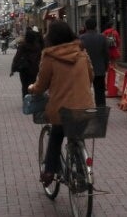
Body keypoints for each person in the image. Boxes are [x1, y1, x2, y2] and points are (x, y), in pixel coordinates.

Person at [28, 20, 94, 187]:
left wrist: (32, 88)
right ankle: (81, 174)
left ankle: (49, 170)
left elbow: (41, 85)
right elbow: (91, 76)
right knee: (77, 133)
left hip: (61, 110)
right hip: (85, 108)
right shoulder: (82, 54)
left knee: (57, 134)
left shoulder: (49, 57)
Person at [79, 17, 109, 106]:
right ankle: (101, 115)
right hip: (99, 70)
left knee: (84, 93)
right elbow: (106, 54)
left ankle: (85, 113)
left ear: (85, 26)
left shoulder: (80, 38)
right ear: (96, 26)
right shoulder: (102, 38)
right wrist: (105, 67)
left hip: (84, 70)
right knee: (100, 94)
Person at [11, 27, 42, 98]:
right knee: (33, 84)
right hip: (34, 69)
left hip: (24, 69)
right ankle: (32, 99)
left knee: (24, 86)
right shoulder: (37, 47)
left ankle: (25, 100)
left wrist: (13, 69)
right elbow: (40, 58)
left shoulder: (22, 46)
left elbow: (17, 58)